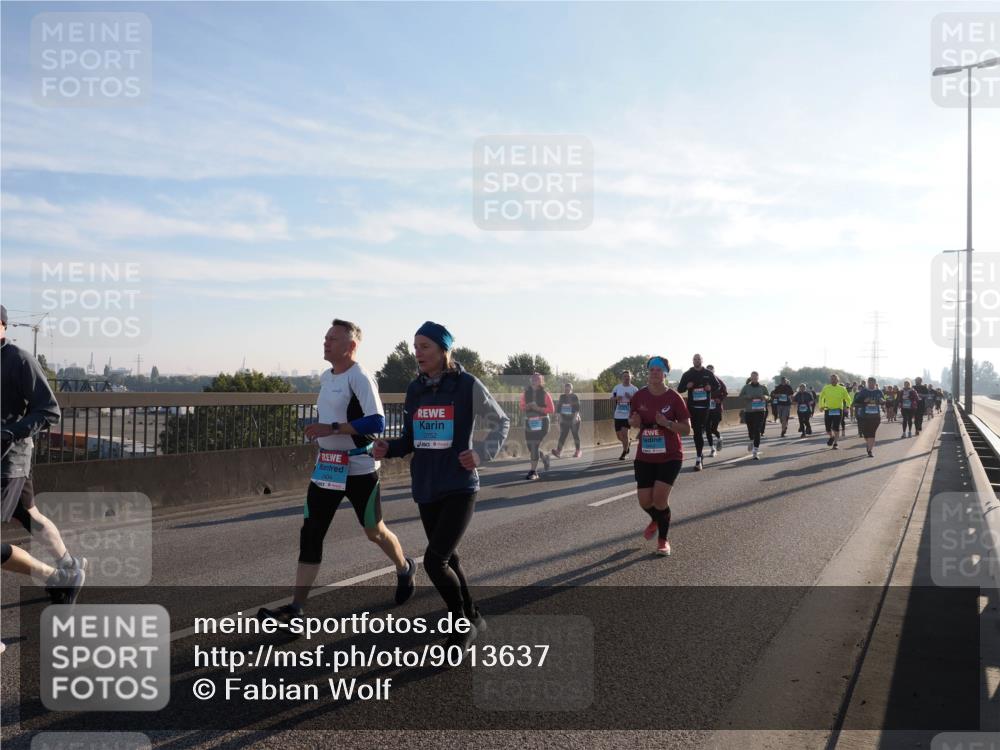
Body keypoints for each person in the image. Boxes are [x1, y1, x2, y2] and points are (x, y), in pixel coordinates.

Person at [259, 319, 416, 628]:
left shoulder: (360, 377)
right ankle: (296, 610)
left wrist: (329, 428)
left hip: (359, 467)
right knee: (312, 533)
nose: (325, 342)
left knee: (374, 531)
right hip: (328, 466)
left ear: (351, 346)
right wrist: (319, 432)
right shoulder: (326, 377)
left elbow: (376, 423)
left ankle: (403, 567)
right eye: (325, 337)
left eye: (333, 339)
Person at [373, 322, 510, 652]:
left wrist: (481, 453)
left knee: (435, 562)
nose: (416, 353)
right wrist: (387, 448)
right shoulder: (414, 389)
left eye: (424, 347)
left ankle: (461, 627)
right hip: (426, 486)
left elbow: (501, 421)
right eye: (415, 346)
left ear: (442, 350)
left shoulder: (467, 384)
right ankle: (474, 615)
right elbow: (410, 439)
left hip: (460, 486)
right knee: (451, 559)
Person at [1, 305, 87, 576]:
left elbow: (49, 410)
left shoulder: (19, 360)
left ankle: (55, 579)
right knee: (30, 515)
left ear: (3, 325)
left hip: (8, 462)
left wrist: (11, 432)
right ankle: (69, 566)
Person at [628, 357, 690, 556]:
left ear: (665, 373)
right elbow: (633, 420)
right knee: (645, 501)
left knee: (660, 499)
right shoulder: (639, 396)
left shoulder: (674, 398)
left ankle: (663, 541)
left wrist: (667, 423)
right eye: (652, 369)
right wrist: (634, 421)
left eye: (659, 370)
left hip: (670, 455)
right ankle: (657, 518)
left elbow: (687, 429)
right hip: (645, 455)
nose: (655, 373)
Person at [676, 353, 722, 472]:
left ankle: (698, 458)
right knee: (697, 433)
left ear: (702, 360)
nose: (696, 361)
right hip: (693, 407)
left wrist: (710, 388)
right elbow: (679, 389)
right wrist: (687, 386)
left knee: (701, 431)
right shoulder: (687, 374)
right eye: (695, 359)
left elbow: (717, 386)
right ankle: (699, 456)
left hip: (705, 407)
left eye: (698, 359)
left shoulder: (708, 373)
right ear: (692, 361)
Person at [521, 372, 554, 480]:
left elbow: (551, 410)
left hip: (542, 422)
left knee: (534, 445)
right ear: (531, 380)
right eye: (534, 378)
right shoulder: (526, 393)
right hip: (530, 422)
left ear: (541, 381)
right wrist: (527, 406)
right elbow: (521, 406)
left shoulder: (545, 394)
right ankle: (544, 457)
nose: (535, 380)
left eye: (538, 379)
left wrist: (538, 409)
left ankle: (533, 472)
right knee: (531, 447)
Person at [739, 372, 769, 459]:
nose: (754, 378)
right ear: (751, 378)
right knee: (751, 430)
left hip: (760, 411)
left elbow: (769, 397)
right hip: (749, 411)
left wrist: (765, 397)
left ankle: (755, 451)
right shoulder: (746, 387)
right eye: (753, 377)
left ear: (758, 378)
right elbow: (740, 396)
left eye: (756, 377)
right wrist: (747, 396)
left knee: (757, 430)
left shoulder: (763, 387)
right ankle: (752, 440)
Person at [818, 373, 852, 450]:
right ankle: (831, 436)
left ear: (838, 380)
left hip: (838, 410)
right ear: (830, 380)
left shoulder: (842, 389)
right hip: (828, 409)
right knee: (827, 429)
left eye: (835, 379)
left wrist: (847, 406)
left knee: (836, 427)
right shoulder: (826, 388)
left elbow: (848, 398)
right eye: (832, 379)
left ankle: (835, 443)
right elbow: (821, 397)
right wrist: (821, 406)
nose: (833, 380)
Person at [611, 371, 639, 460]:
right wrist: (616, 398)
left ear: (631, 378)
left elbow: (638, 402)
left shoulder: (634, 389)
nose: (626, 378)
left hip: (628, 415)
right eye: (625, 376)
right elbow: (612, 398)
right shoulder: (617, 388)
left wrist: (631, 398)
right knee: (619, 436)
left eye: (628, 376)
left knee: (625, 434)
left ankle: (624, 452)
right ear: (622, 378)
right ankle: (627, 443)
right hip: (618, 415)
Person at [855, 377, 885, 457]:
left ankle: (870, 450)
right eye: (870, 383)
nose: (871, 384)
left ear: (875, 383)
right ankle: (868, 443)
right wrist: (864, 401)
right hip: (864, 416)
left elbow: (883, 402)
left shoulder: (878, 392)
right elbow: (856, 401)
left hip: (875, 416)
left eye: (873, 383)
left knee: (872, 433)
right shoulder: (863, 391)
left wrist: (882, 401)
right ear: (868, 383)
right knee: (865, 434)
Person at [551, 382, 582, 459]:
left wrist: (575, 418)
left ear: (571, 389)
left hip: (574, 419)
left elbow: (577, 409)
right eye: (565, 389)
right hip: (565, 419)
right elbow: (559, 408)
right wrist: (559, 418)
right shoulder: (562, 397)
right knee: (562, 435)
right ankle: (558, 451)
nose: (567, 390)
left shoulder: (575, 396)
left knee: (575, 435)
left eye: (568, 389)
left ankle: (578, 451)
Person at [705, 364, 727, 455]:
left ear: (714, 371)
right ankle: (712, 449)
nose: (710, 372)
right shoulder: (703, 381)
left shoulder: (719, 381)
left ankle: (719, 438)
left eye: (711, 370)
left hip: (716, 408)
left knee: (713, 429)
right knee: (707, 429)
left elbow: (725, 393)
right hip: (706, 409)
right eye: (708, 370)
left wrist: (720, 399)